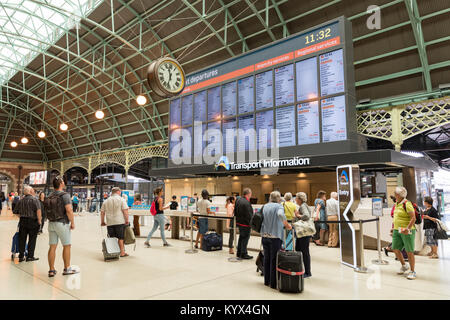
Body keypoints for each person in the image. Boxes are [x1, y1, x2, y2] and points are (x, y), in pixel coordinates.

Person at [46, 176, 78, 277]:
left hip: (51, 223)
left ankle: (51, 270)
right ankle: (67, 268)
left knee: (52, 247)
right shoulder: (65, 195)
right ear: (61, 184)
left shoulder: (50, 195)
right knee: (67, 245)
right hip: (62, 223)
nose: (64, 183)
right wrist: (72, 222)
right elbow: (69, 210)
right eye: (63, 181)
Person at [261, 191, 293, 289]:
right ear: (279, 199)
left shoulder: (265, 206)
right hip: (275, 237)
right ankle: (273, 283)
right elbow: (280, 214)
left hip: (264, 235)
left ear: (270, 198)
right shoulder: (279, 207)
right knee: (274, 259)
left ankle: (266, 281)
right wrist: (287, 225)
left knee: (266, 258)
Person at [392, 186, 416, 280]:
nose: (394, 195)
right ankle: (404, 266)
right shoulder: (397, 203)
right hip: (397, 230)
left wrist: (407, 228)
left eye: (395, 193)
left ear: (398, 195)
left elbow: (413, 218)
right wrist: (393, 228)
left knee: (409, 251)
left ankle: (412, 271)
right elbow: (396, 217)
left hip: (407, 230)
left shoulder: (407, 203)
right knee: (395, 248)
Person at [13, 186, 42, 262]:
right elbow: (38, 211)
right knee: (32, 239)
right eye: (32, 190)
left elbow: (15, 211)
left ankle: (21, 256)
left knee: (22, 239)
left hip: (22, 221)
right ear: (30, 191)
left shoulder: (21, 200)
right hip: (33, 221)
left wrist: (21, 216)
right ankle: (30, 256)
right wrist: (39, 221)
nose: (33, 191)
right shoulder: (35, 200)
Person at [101, 187, 129, 258]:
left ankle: (113, 253)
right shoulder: (121, 200)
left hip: (110, 222)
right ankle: (122, 253)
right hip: (119, 221)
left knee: (111, 238)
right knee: (120, 238)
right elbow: (125, 211)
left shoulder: (106, 201)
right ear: (118, 191)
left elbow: (102, 212)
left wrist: (102, 222)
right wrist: (127, 220)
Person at [294, 192, 312, 278]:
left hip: (304, 233)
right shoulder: (304, 205)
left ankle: (308, 272)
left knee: (304, 252)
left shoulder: (303, 206)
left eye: (296, 198)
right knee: (299, 249)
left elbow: (306, 216)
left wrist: (298, 215)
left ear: (300, 199)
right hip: (304, 233)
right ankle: (302, 269)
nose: (295, 199)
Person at [234, 188, 254, 260]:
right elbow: (249, 215)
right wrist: (252, 224)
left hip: (239, 222)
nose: (251, 195)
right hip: (246, 224)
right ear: (248, 194)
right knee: (245, 238)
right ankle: (244, 253)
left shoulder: (238, 200)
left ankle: (239, 252)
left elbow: (235, 210)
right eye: (251, 193)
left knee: (241, 237)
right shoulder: (246, 202)